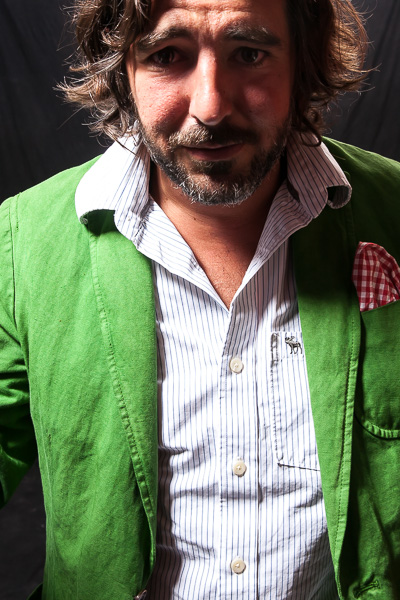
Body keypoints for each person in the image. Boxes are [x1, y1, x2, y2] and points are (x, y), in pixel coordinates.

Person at [1, 0, 399, 598]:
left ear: (302, 61)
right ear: (122, 67)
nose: (211, 106)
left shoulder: (392, 211)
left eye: (250, 54)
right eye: (167, 55)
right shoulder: (22, 242)